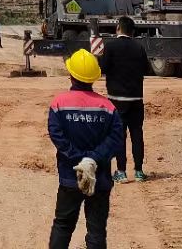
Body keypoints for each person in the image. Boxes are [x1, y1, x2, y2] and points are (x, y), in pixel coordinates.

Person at [47, 49, 123, 249]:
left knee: (63, 225)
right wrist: (92, 160)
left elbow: (57, 136)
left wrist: (78, 160)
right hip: (100, 179)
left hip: (70, 178)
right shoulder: (108, 107)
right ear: (94, 78)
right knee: (96, 231)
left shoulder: (58, 104)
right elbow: (116, 138)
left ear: (71, 75)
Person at [99, 17, 153, 183]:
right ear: (133, 31)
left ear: (117, 28)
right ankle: (138, 171)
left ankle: (121, 172)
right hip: (136, 98)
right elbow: (147, 69)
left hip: (116, 99)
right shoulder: (139, 48)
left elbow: (103, 68)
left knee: (119, 136)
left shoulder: (110, 47)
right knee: (137, 134)